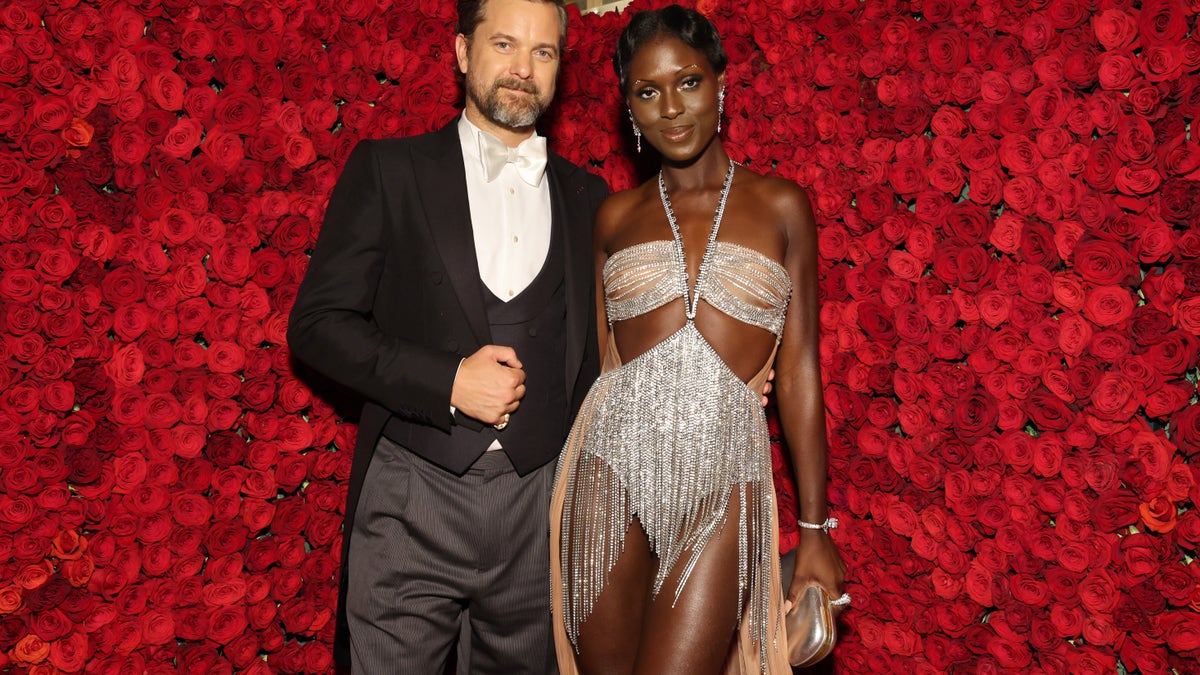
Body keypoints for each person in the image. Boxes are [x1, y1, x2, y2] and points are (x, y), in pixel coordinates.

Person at [286, 0, 608, 671]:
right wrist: (447, 380)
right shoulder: (389, 170)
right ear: (463, 52)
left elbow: (616, 347)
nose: (522, 69)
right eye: (503, 44)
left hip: (539, 508)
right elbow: (318, 325)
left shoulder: (592, 199)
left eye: (542, 52)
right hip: (412, 494)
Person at [549, 6, 847, 674]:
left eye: (687, 82)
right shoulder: (614, 217)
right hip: (608, 474)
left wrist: (815, 528)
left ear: (721, 85)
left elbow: (798, 370)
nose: (671, 107)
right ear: (628, 108)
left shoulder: (780, 206)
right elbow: (605, 363)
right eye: (647, 92)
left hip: (723, 476)